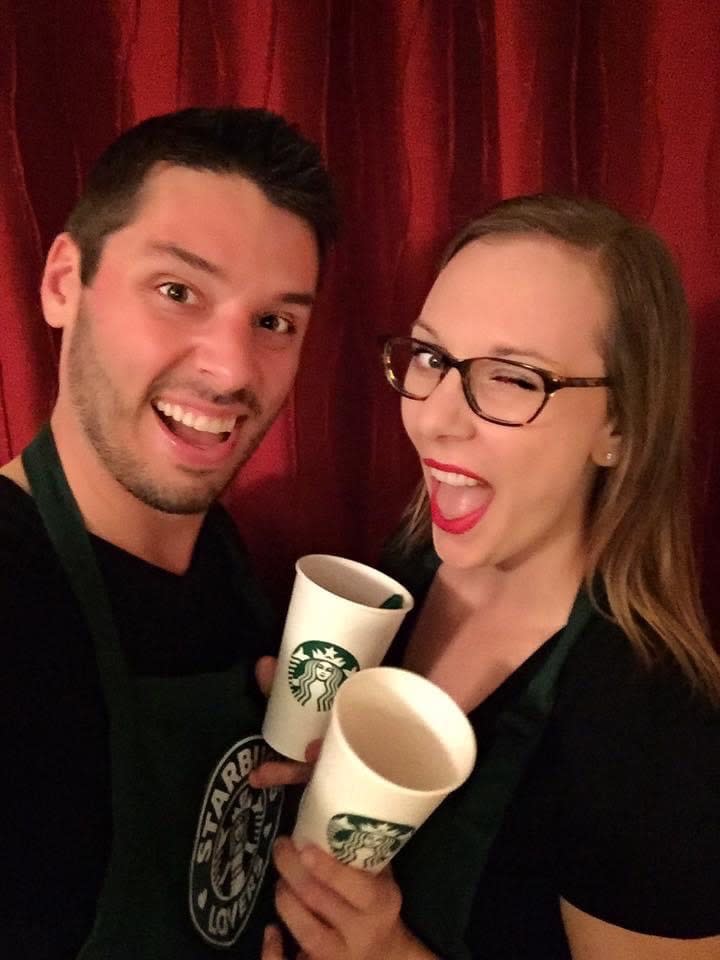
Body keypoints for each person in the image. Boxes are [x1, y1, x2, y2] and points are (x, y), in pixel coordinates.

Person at [260, 195, 720, 960]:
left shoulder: (657, 726)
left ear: (621, 428)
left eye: (512, 378)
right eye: (432, 358)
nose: (436, 416)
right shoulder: (397, 575)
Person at [0, 106, 336, 958]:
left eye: (274, 322)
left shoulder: (228, 561)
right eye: (177, 291)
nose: (229, 371)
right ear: (62, 282)